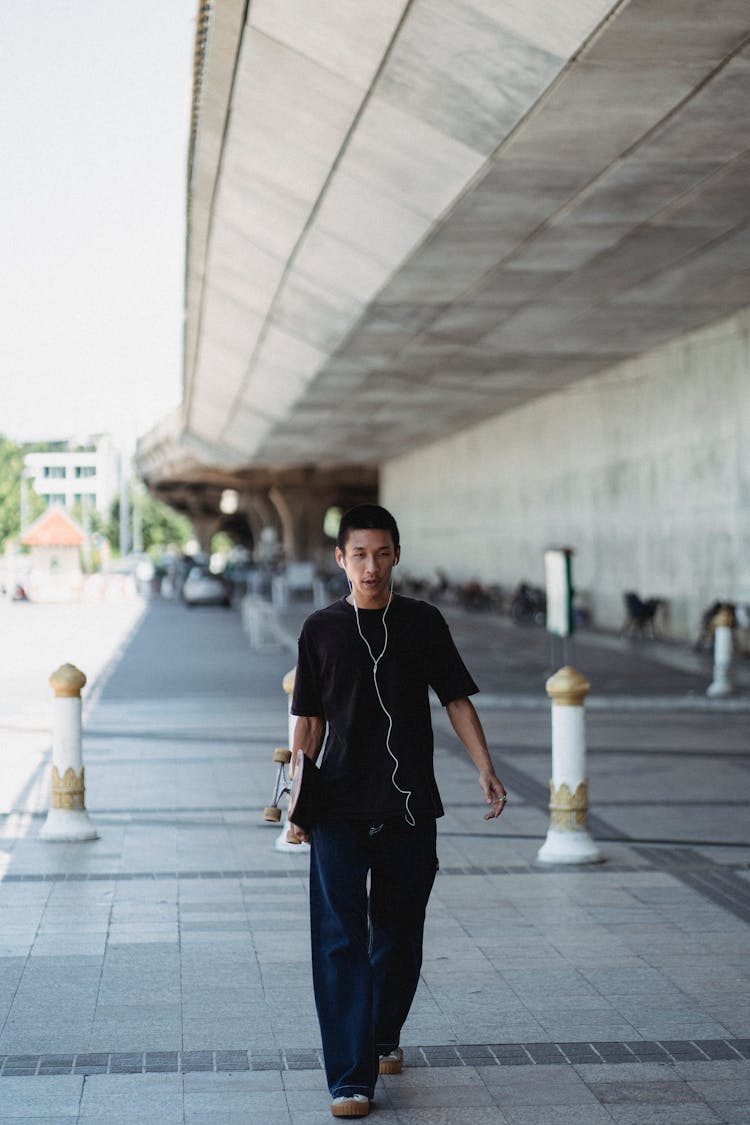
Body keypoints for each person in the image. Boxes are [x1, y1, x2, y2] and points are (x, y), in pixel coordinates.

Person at [290, 505, 507, 1119]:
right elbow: (308, 722)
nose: (371, 565)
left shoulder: (423, 623)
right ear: (340, 559)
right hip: (337, 806)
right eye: (359, 554)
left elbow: (456, 699)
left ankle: (382, 1035)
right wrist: (296, 805)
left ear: (396, 556)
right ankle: (351, 1077)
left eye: (382, 553)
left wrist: (484, 767)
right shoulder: (321, 630)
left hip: (410, 805)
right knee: (340, 940)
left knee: (401, 934)